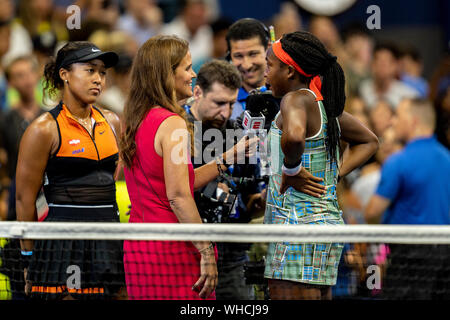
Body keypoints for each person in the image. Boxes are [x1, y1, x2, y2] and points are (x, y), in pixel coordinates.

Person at [120, 35, 254, 300]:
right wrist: (205, 250)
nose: (193, 74)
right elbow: (178, 195)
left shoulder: (135, 119)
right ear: (166, 74)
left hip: (139, 249)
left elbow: (178, 182)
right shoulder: (173, 124)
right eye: (187, 67)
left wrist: (226, 158)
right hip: (174, 250)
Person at [263, 31, 379, 300]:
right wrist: (332, 174)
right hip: (324, 228)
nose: (265, 73)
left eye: (270, 65)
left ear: (289, 71)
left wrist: (292, 170)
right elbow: (369, 141)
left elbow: (293, 136)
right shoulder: (324, 106)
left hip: (297, 232)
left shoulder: (293, 100)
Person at [15, 41, 126, 300]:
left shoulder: (112, 122)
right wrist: (28, 258)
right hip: (61, 245)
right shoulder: (42, 130)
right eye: (89, 70)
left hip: (108, 241)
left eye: (102, 72)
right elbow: (24, 200)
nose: (98, 79)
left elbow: (112, 177)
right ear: (64, 74)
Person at [184, 59, 264, 299]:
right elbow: (176, 191)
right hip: (186, 252)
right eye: (219, 103)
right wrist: (214, 191)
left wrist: (262, 201)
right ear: (197, 92)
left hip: (232, 255)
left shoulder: (238, 136)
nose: (226, 112)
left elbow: (249, 200)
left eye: (231, 103)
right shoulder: (176, 130)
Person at [365, 98, 450, 299]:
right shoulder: (448, 158)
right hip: (445, 256)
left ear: (413, 121)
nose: (393, 122)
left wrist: (380, 235)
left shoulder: (398, 162)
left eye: (398, 116)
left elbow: (372, 212)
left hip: (409, 258)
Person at [226, 18, 272, 120]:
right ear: (230, 57)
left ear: (268, 49)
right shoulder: (221, 103)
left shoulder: (287, 97)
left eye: (253, 54)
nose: (247, 65)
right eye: (238, 56)